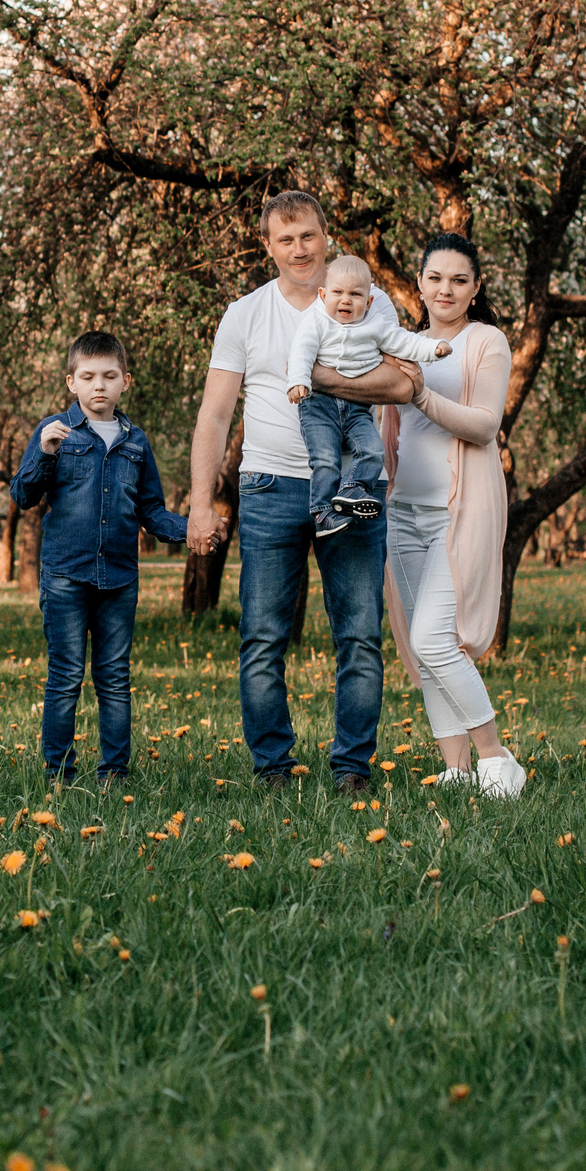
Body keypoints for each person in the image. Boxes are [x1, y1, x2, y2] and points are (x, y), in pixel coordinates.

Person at [187, 192, 418, 795]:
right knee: (263, 636)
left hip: (352, 489)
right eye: (285, 240)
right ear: (267, 245)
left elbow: (403, 381)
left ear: (325, 235)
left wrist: (319, 376)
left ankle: (351, 771)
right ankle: (272, 770)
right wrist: (199, 499)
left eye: (308, 237)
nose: (299, 250)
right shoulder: (245, 313)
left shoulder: (368, 301)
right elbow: (214, 416)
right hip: (266, 489)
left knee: (360, 635)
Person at [9, 330, 189, 783]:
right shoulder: (56, 432)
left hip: (120, 578)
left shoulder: (136, 442)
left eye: (109, 376)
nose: (99, 386)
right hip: (65, 575)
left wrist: (192, 529)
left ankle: (114, 772)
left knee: (113, 678)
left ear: (125, 381)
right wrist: (45, 454)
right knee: (66, 677)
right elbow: (23, 495)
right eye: (88, 377)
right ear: (72, 382)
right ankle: (58, 773)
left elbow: (151, 510)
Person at [381, 233, 525, 797]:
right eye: (435, 278)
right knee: (422, 648)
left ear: (475, 288)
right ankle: (456, 768)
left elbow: (485, 425)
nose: (446, 289)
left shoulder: (485, 342)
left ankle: (495, 760)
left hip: (457, 513)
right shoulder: (401, 345)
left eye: (459, 280)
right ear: (419, 283)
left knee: (437, 641)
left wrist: (418, 395)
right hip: (402, 512)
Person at [286, 255, 449, 538]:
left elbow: (404, 341)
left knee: (373, 450)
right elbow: (301, 350)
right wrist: (299, 381)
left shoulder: (376, 324)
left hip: (358, 407)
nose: (346, 300)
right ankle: (323, 513)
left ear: (369, 301)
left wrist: (433, 349)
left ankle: (352, 489)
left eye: (355, 294)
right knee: (325, 457)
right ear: (323, 295)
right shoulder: (317, 321)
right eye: (338, 293)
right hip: (318, 405)